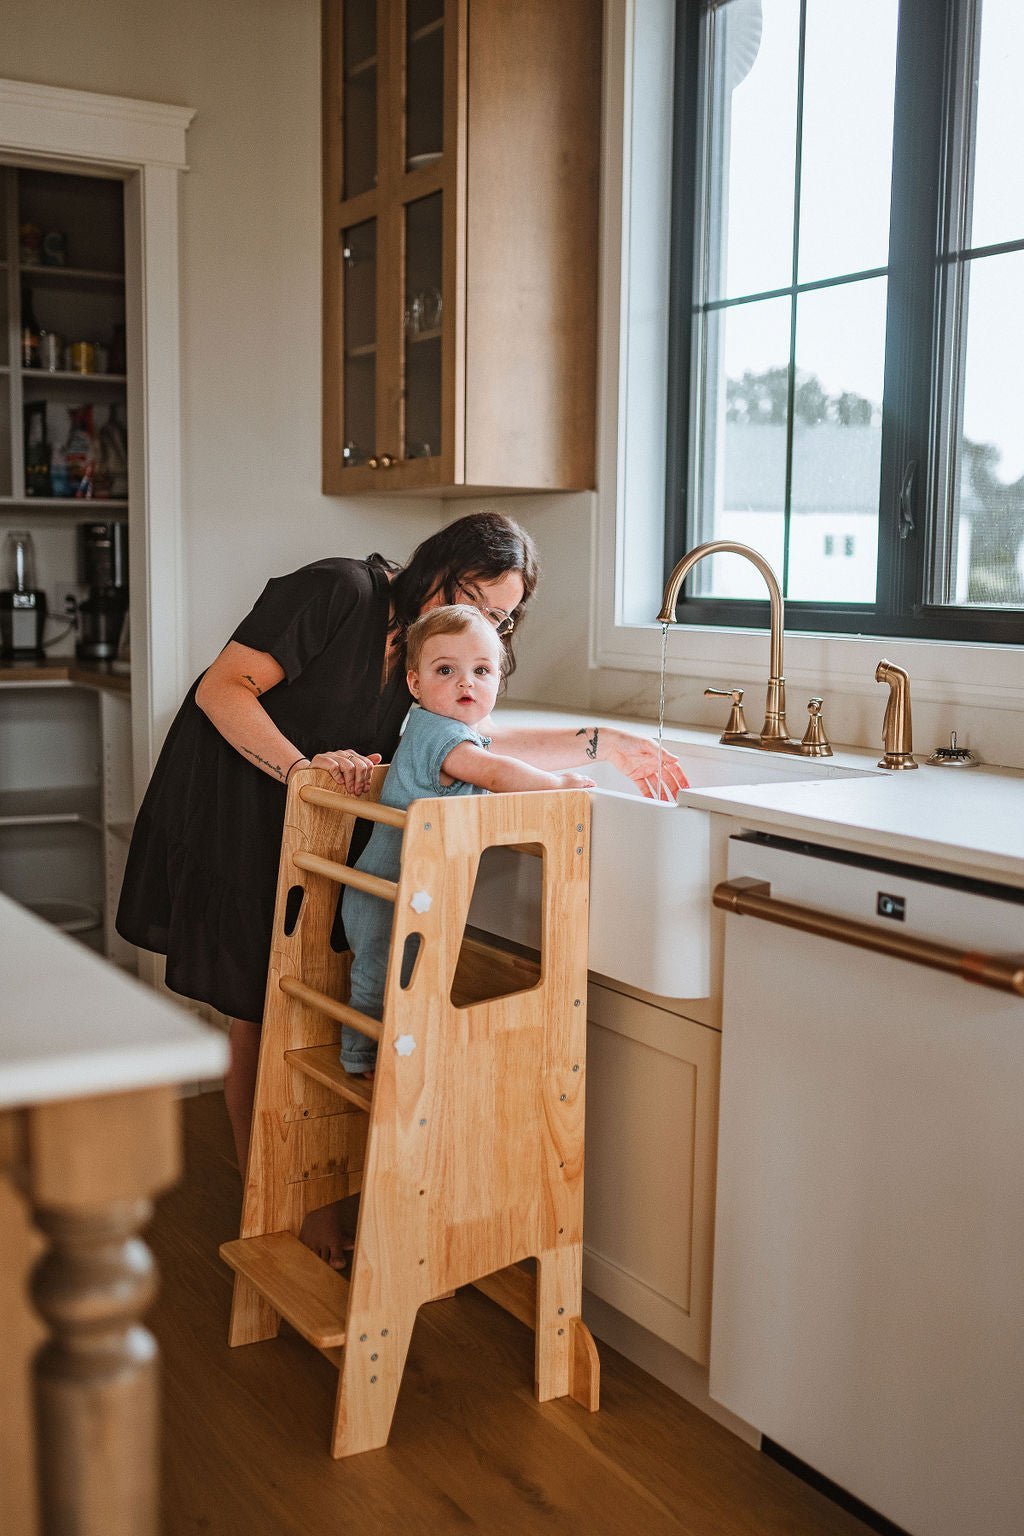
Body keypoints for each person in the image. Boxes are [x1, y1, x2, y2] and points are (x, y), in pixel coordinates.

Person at [115, 510, 687, 1192]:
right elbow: (221, 688)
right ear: (438, 563)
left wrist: (601, 743)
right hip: (238, 804)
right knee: (260, 1011)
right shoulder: (340, 590)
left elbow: (474, 743)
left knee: (298, 1005)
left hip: (313, 819)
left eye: (499, 618)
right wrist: (302, 770)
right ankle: (266, 1197)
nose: (479, 620)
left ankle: (291, 1192)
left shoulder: (432, 653)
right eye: (473, 597)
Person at [340, 604, 595, 1077]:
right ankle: (362, 1056)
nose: (466, 683)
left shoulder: (445, 729)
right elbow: (493, 773)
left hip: (412, 883)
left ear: (498, 679)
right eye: (446, 670)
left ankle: (387, 1052)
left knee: (401, 973)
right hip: (389, 887)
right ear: (415, 683)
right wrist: (557, 785)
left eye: (481, 670)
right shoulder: (441, 734)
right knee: (382, 974)